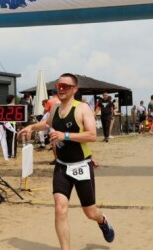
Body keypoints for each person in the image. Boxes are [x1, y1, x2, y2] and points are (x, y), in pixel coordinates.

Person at [17, 73, 115, 249]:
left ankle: (103, 221)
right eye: (58, 86)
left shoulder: (83, 109)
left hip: (81, 166)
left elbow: (92, 135)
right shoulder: (54, 108)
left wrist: (65, 135)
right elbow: (47, 124)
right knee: (60, 209)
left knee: (90, 212)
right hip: (62, 167)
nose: (60, 89)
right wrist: (31, 126)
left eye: (65, 86)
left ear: (74, 89)